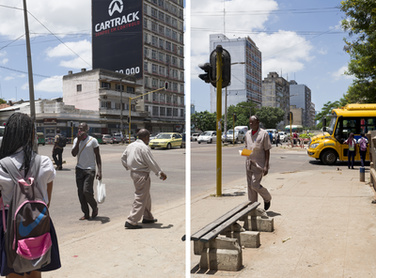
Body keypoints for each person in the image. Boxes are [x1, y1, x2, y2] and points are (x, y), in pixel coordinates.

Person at [0, 113, 61, 277]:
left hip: (8, 224)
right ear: (32, 135)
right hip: (38, 221)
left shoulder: (1, 166)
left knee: (12, 270)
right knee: (36, 266)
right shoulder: (45, 162)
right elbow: (47, 201)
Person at [121, 129, 167, 229]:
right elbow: (151, 162)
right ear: (146, 137)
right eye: (149, 137)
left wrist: (129, 166)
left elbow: (123, 158)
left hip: (134, 173)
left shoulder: (131, 145)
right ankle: (132, 220)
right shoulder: (143, 147)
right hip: (142, 174)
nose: (149, 140)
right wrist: (159, 173)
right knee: (141, 196)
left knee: (146, 195)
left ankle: (147, 217)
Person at [71, 123, 102, 220]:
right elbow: (73, 154)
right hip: (79, 169)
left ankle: (94, 207)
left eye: (82, 129)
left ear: (87, 130)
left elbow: (97, 156)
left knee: (86, 191)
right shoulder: (76, 140)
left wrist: (99, 171)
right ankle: (86, 213)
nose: (80, 130)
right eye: (79, 129)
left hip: (90, 170)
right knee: (80, 193)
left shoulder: (93, 141)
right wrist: (78, 141)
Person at [244, 115, 272, 211]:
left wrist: (266, 166)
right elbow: (246, 147)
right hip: (249, 163)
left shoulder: (264, 134)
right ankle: (252, 208)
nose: (251, 124)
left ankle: (267, 197)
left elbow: (267, 150)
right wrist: (244, 153)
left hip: (259, 164)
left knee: (254, 185)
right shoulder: (247, 134)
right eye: (249, 122)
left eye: (252, 122)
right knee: (250, 187)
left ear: (258, 122)